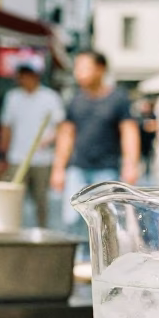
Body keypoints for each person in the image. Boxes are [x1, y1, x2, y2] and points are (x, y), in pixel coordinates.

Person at [50, 50, 140, 232]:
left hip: (107, 170)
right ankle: (77, 259)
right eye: (77, 68)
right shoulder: (74, 100)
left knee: (105, 221)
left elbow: (129, 132)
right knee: (72, 219)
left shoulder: (118, 99)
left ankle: (99, 259)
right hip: (77, 169)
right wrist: (58, 169)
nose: (78, 73)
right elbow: (66, 135)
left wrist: (130, 164)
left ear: (100, 69)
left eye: (84, 68)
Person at [0, 56, 65, 227]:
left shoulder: (50, 97)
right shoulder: (12, 97)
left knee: (41, 200)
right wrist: (1, 155)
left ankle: (42, 231)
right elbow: (6, 128)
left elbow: (61, 127)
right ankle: (11, 230)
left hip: (42, 158)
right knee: (12, 199)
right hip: (16, 157)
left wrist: (49, 139)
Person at [136, 98, 158, 180]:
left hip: (149, 142)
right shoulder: (139, 116)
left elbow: (154, 127)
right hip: (141, 142)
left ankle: (147, 176)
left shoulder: (153, 116)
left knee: (149, 162)